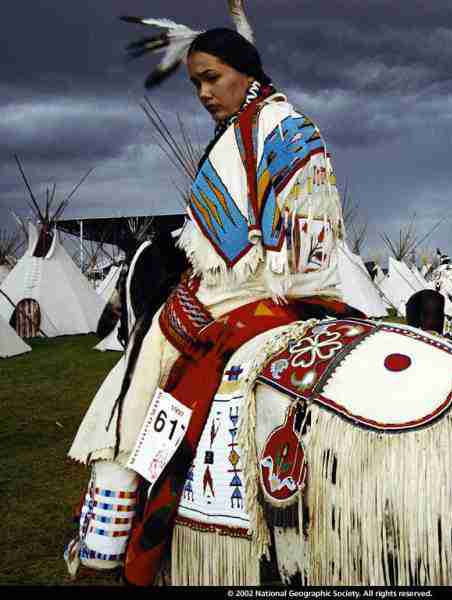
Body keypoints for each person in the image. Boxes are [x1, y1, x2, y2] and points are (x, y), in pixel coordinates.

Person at [67, 27, 357, 586]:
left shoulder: (255, 130)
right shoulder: (290, 125)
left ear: (245, 72)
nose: (203, 92)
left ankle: (108, 534)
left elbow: (242, 245)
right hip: (314, 286)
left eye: (212, 77)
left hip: (245, 288)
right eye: (196, 83)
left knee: (144, 358)